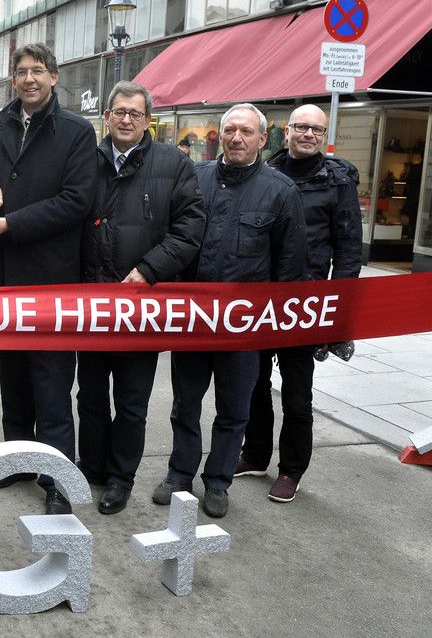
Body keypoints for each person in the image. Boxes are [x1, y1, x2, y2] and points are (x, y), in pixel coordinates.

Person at [0, 42, 96, 516]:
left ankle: (57, 480)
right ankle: (16, 462)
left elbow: (76, 201)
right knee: (13, 379)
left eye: (38, 71)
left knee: (52, 385)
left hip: (51, 281)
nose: (29, 79)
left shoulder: (76, 131)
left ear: (54, 76)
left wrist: (11, 223)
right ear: (13, 79)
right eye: (21, 72)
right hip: (4, 278)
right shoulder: (0, 125)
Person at [152, 103, 306, 518]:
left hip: (244, 329)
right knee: (185, 405)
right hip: (193, 322)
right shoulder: (194, 178)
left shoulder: (281, 192)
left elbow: (289, 269)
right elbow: (173, 239)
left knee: (234, 411)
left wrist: (275, 329)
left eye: (246, 132)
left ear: (263, 139)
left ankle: (218, 482)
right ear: (219, 136)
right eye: (230, 130)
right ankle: (179, 474)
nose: (237, 138)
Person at [77, 81, 205, 515]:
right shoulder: (87, 161)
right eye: (119, 111)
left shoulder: (174, 164)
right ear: (107, 117)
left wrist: (149, 270)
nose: (126, 119)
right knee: (90, 397)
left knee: (131, 403)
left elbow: (189, 229)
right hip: (92, 306)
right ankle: (92, 466)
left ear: (148, 120)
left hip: (140, 307)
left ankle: (120, 477)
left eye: (135, 113)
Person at [237, 104, 362, 503]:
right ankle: (255, 454)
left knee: (296, 392)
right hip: (261, 297)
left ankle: (291, 470)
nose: (309, 134)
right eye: (302, 127)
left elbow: (348, 250)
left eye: (317, 130)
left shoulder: (337, 182)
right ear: (286, 131)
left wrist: (337, 310)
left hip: (305, 303)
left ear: (324, 136)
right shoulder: (266, 171)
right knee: (254, 384)